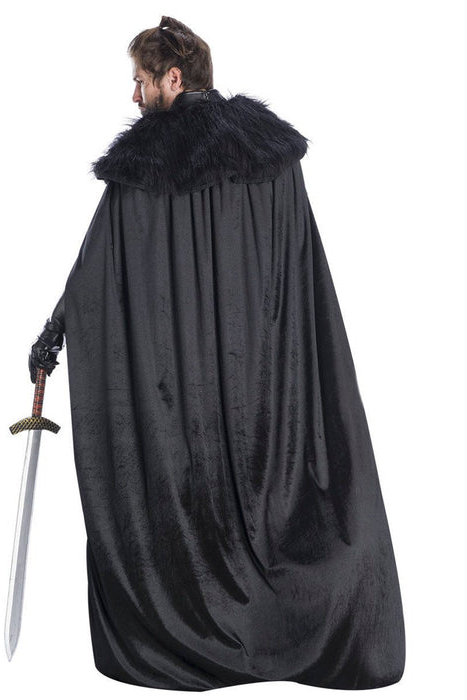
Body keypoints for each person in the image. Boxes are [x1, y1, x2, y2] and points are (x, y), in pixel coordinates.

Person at [28, 15, 406, 692]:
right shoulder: (271, 160)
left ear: (173, 78)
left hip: (181, 387)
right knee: (268, 496)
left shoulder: (144, 167)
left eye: (141, 81)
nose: (134, 95)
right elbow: (298, 270)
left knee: (188, 490)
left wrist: (54, 334)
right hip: (263, 379)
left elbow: (96, 276)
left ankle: (191, 626)